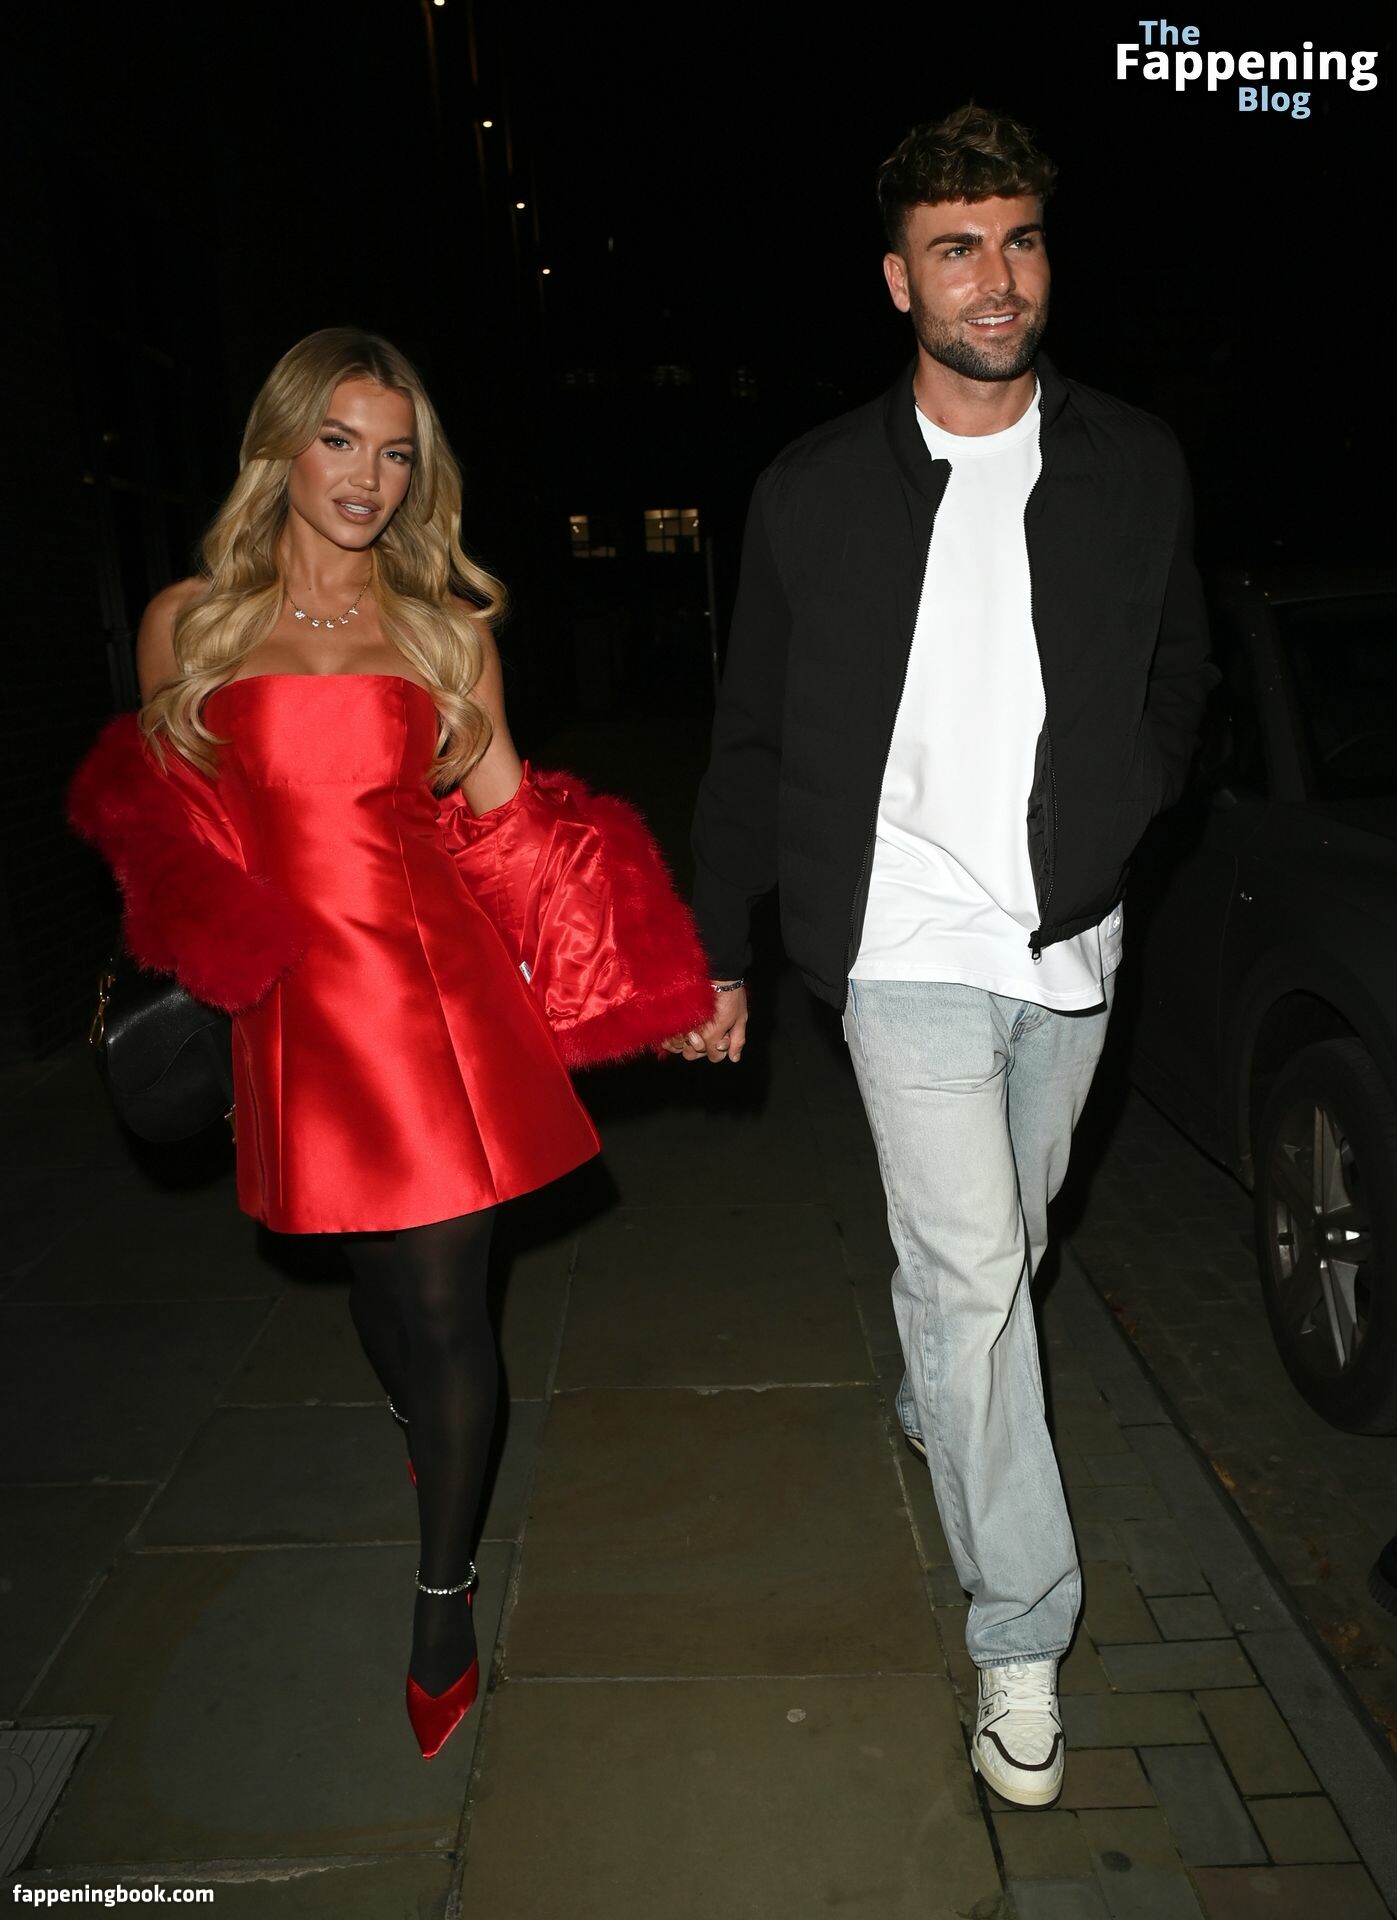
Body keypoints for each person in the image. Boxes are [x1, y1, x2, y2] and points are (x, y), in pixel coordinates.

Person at [70, 328, 712, 1761]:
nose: (369, 477)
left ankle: (441, 1592)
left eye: (398, 453)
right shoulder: (191, 625)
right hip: (296, 1010)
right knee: (377, 1296)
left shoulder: (443, 633)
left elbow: (512, 829)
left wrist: (656, 978)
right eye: (340, 441)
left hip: (435, 1000)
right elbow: (165, 835)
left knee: (445, 1302)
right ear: (281, 447)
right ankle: (432, 1433)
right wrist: (207, 943)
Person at [677, 106, 1214, 1807]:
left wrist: (1123, 808)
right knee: (977, 1274)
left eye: (1021, 240)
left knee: (1006, 1250)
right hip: (898, 938)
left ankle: (939, 1388)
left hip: (1065, 931)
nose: (998, 279)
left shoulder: (1132, 460)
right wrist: (718, 942)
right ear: (897, 277)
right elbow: (752, 730)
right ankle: (1019, 1631)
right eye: (958, 248)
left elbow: (1179, 670)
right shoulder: (815, 488)